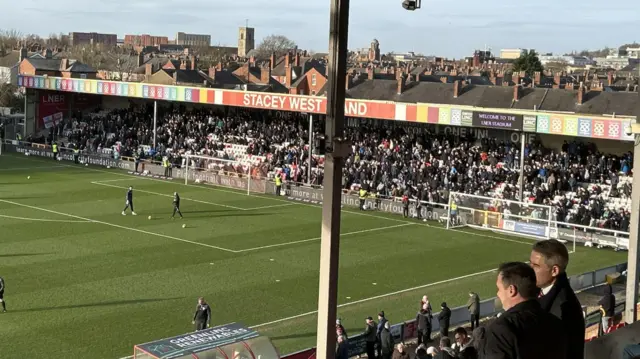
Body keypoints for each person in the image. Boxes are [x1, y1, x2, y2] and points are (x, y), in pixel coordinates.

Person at [483, 261, 567, 359]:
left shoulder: (501, 329)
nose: (498, 293)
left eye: (499, 289)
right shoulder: (555, 323)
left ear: (511, 290)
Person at [530, 239, 584, 359]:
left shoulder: (563, 308)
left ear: (554, 270)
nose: (530, 270)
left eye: (536, 266)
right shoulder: (540, 292)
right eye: (530, 264)